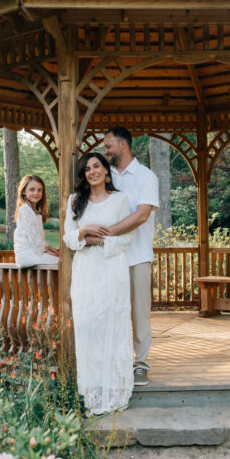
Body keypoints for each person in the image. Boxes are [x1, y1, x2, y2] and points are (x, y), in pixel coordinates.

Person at [62, 152, 135, 415]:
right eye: (87, 169)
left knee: (111, 326)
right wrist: (83, 233)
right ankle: (90, 391)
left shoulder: (120, 200)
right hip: (85, 271)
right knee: (86, 325)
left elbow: (127, 238)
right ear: (84, 175)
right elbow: (67, 238)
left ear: (106, 170)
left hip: (112, 269)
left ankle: (113, 390)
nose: (92, 172)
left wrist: (100, 240)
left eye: (97, 166)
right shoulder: (75, 201)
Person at [100, 126, 160, 387]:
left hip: (137, 256)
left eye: (108, 146)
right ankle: (117, 361)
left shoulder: (146, 177)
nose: (105, 151)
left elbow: (142, 214)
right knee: (113, 311)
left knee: (139, 314)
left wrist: (108, 231)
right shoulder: (105, 175)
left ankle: (141, 364)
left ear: (123, 144)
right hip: (110, 257)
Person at [12, 174, 59, 267]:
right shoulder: (25, 210)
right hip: (27, 256)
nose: (36, 193)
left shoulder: (35, 213)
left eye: (39, 190)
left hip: (35, 253)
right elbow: (35, 241)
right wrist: (46, 249)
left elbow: (38, 238)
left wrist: (48, 247)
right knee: (62, 262)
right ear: (24, 191)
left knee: (63, 260)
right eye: (32, 189)